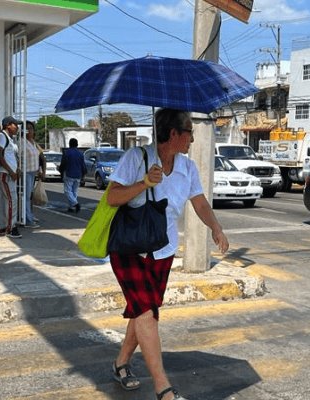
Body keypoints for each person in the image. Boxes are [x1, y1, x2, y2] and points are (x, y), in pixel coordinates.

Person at [106, 108, 229, 400]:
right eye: (189, 132)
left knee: (143, 310)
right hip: (130, 249)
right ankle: (163, 387)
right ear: (173, 134)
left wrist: (216, 228)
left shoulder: (186, 167)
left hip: (163, 250)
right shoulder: (137, 158)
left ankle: (121, 363)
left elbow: (199, 202)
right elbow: (112, 197)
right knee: (147, 312)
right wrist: (145, 183)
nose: (192, 138)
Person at [0, 116, 22, 239]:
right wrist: (11, 172)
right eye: (15, 125)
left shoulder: (10, 139)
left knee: (2, 199)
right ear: (8, 125)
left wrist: (17, 169)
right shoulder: (2, 136)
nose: (17, 127)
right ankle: (11, 227)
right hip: (5, 173)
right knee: (12, 199)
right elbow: (0, 156)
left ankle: (1, 226)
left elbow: (11, 156)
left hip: (8, 172)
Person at [22, 121, 45, 227]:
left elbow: (40, 157)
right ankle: (27, 219)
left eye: (31, 128)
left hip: (33, 172)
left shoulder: (33, 142)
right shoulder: (22, 142)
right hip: (25, 172)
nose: (29, 130)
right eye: (27, 128)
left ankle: (29, 216)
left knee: (29, 197)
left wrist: (40, 170)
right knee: (26, 197)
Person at [58, 137, 87, 213]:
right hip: (78, 175)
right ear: (77, 144)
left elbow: (63, 164)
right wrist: (83, 174)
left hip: (69, 174)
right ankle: (71, 207)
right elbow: (83, 165)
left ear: (69, 144)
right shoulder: (80, 154)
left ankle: (75, 204)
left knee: (67, 191)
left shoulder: (66, 153)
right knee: (74, 191)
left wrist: (61, 171)